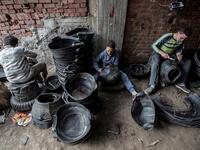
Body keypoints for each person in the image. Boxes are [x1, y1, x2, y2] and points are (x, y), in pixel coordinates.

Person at [144, 26, 193, 95]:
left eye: (184, 39)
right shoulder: (167, 36)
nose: (182, 40)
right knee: (155, 63)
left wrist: (179, 55)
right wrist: (162, 53)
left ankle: (180, 83)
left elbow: (179, 49)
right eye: (181, 38)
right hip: (158, 52)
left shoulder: (182, 41)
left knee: (187, 62)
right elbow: (153, 45)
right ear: (178, 33)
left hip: (169, 54)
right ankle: (152, 86)